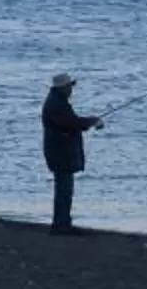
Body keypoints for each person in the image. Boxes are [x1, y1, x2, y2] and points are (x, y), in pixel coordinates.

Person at [41, 72, 103, 232]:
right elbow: (71, 123)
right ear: (62, 88)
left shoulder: (57, 102)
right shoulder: (56, 104)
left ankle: (63, 222)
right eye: (69, 86)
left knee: (64, 188)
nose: (71, 90)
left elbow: (71, 122)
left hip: (59, 151)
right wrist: (91, 121)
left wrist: (88, 121)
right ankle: (61, 224)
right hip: (60, 152)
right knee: (64, 189)